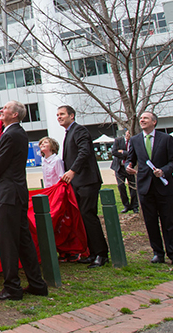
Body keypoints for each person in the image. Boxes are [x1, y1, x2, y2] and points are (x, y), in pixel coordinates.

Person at [0, 101, 48, 301]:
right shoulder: (17, 133)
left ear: (15, 114)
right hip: (17, 194)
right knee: (23, 240)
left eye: (6, 108)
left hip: (8, 195)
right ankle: (37, 284)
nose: (1, 110)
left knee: (8, 242)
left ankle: (12, 288)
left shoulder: (10, 134)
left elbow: (0, 163)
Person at [126, 111, 173, 267]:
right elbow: (131, 159)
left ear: (154, 122)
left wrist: (163, 171)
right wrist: (128, 166)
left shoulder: (166, 139)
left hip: (164, 188)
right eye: (141, 118)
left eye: (145, 118)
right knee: (151, 222)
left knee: (168, 222)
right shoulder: (136, 140)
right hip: (145, 188)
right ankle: (158, 253)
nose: (142, 120)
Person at [57, 105, 109, 268]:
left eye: (62, 114)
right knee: (84, 218)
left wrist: (72, 171)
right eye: (57, 115)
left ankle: (101, 254)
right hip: (78, 183)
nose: (59, 117)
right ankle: (92, 253)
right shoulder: (69, 133)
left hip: (87, 181)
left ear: (72, 116)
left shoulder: (79, 131)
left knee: (89, 216)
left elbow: (84, 152)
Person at [110, 130, 138, 214]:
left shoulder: (134, 141)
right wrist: (128, 154)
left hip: (130, 168)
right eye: (128, 133)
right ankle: (126, 205)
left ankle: (135, 206)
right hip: (119, 168)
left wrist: (124, 152)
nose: (129, 135)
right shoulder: (118, 140)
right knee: (121, 186)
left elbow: (135, 153)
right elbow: (114, 152)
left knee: (133, 187)